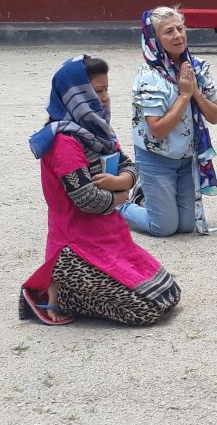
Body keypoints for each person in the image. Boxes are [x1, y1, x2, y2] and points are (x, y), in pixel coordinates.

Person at [21, 55, 181, 326]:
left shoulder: (97, 131)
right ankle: (58, 292)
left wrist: (119, 183)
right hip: (75, 245)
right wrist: (123, 194)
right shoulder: (64, 143)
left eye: (106, 90)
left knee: (168, 294)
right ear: (76, 95)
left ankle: (66, 290)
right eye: (97, 91)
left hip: (109, 235)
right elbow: (88, 201)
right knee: (147, 310)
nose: (105, 98)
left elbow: (130, 166)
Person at [122, 7, 217, 237]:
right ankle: (118, 206)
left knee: (187, 226)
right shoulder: (149, 75)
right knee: (164, 228)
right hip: (156, 157)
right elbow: (157, 130)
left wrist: (195, 92)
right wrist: (184, 96)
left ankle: (148, 197)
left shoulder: (197, 68)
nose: (177, 35)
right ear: (154, 39)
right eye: (168, 31)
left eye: (180, 28)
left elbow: (215, 116)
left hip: (187, 157)